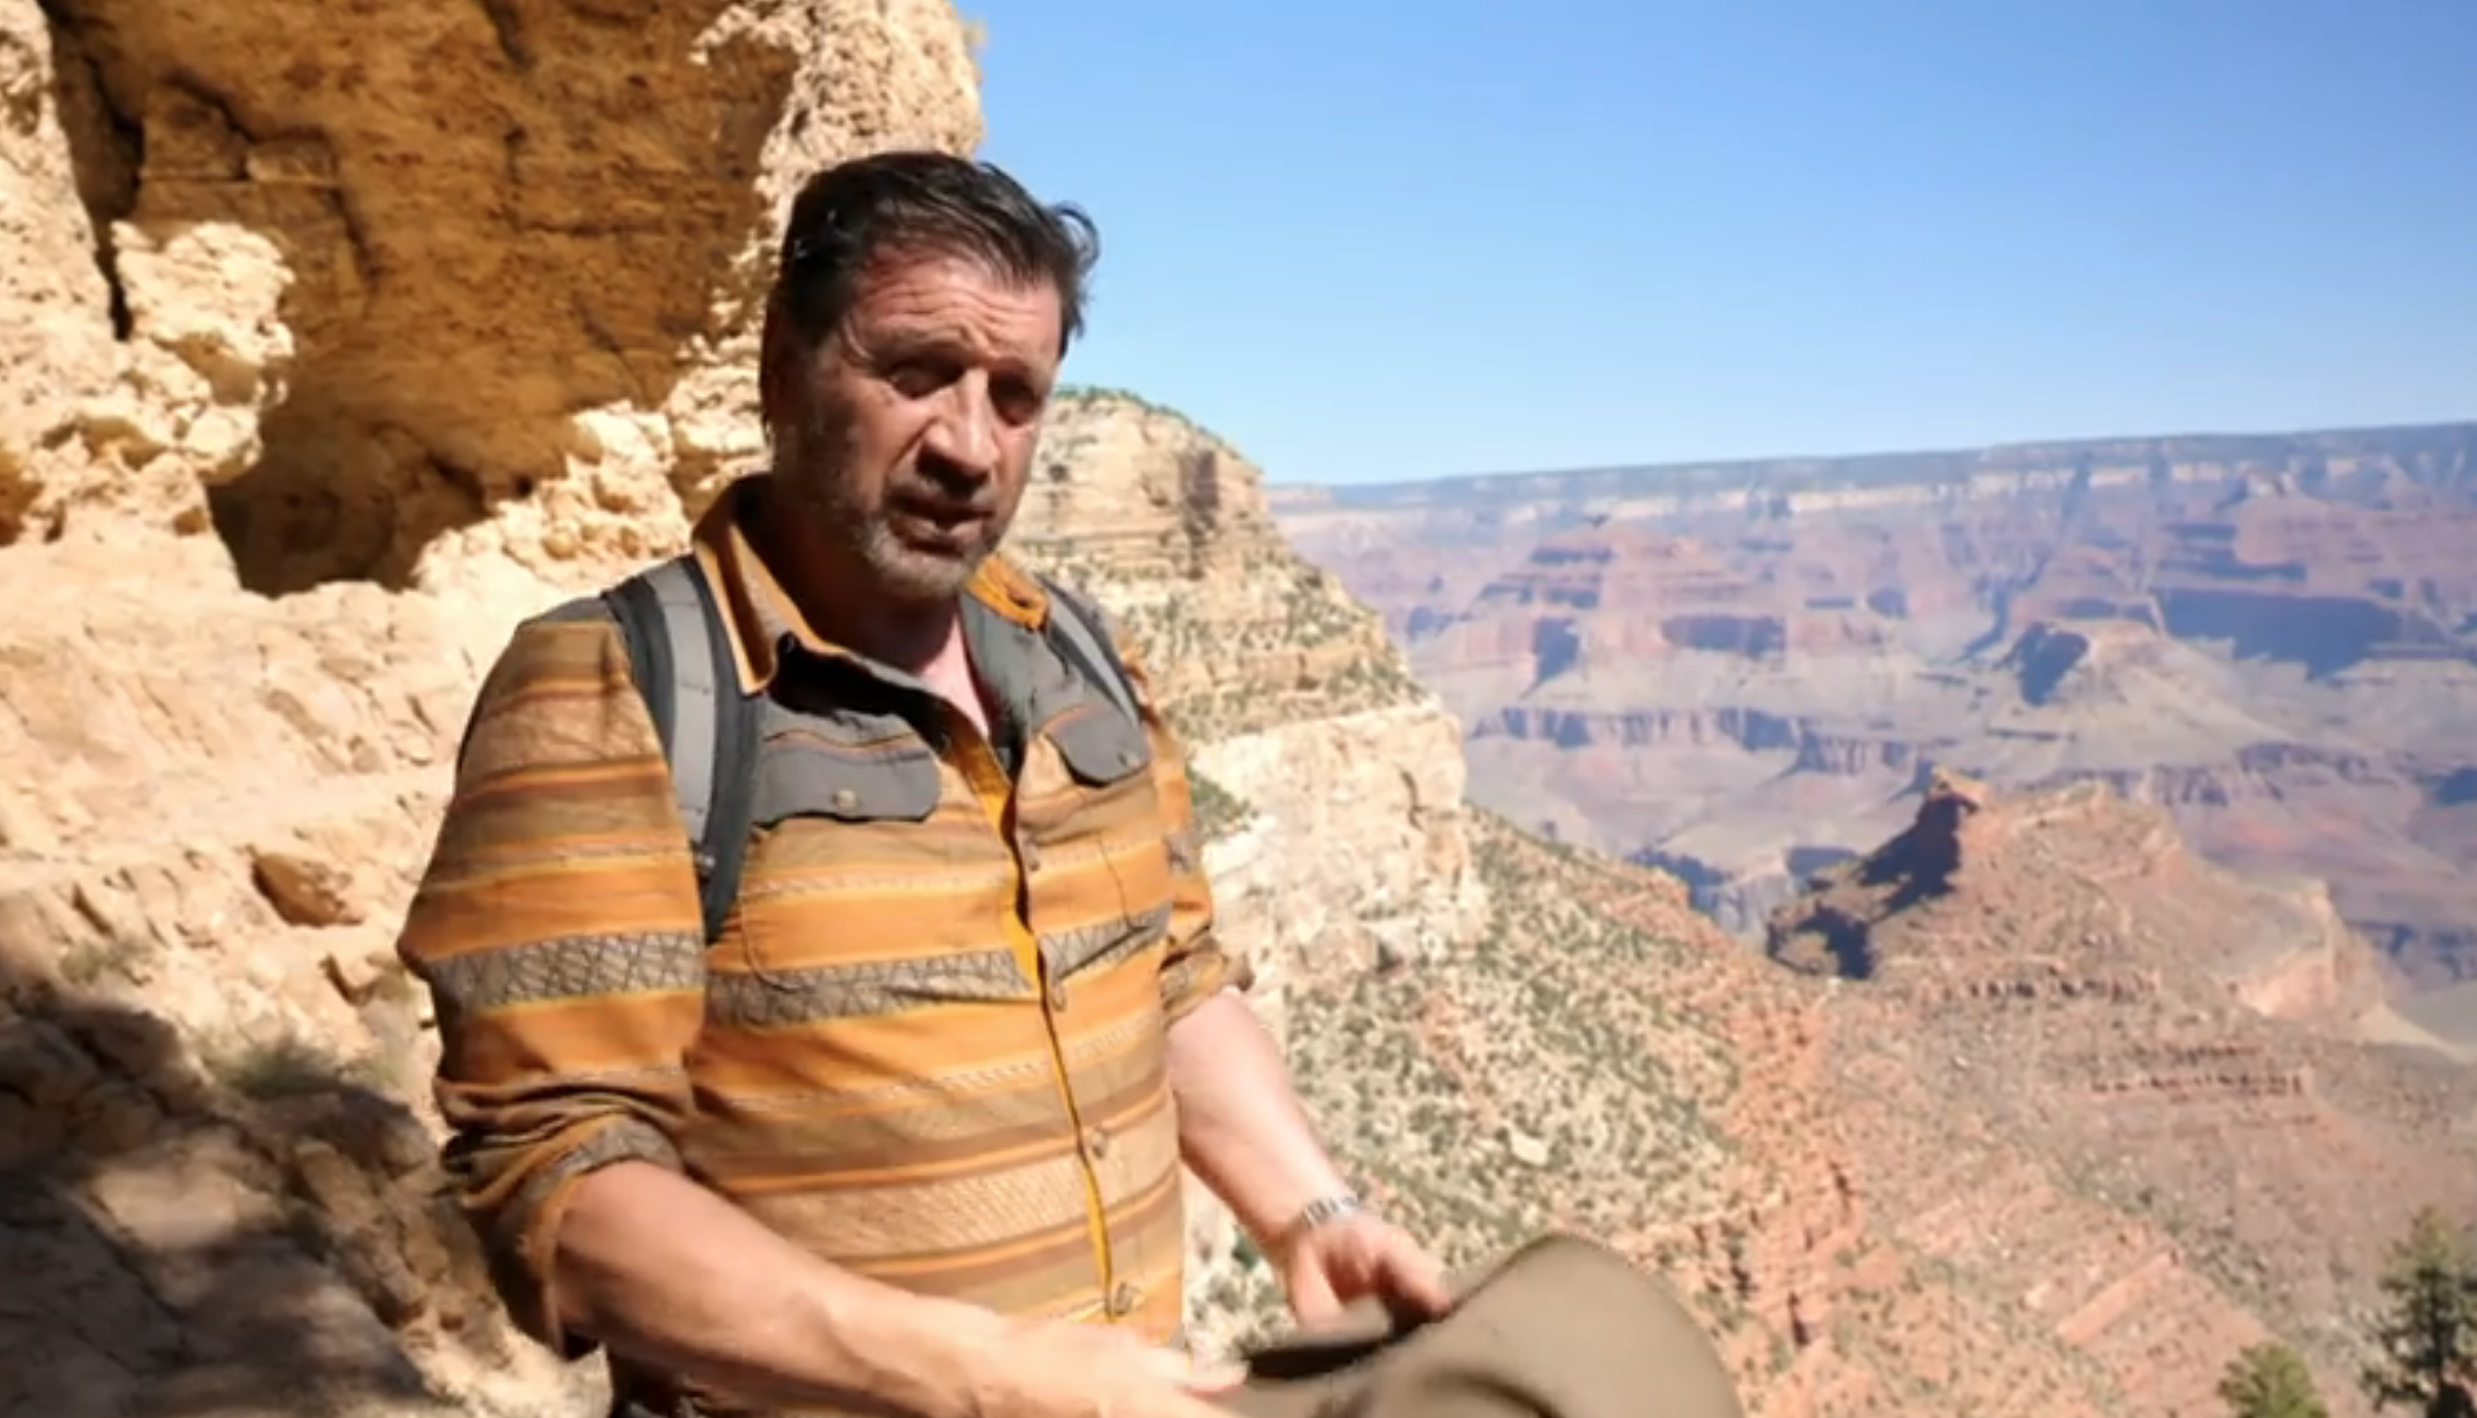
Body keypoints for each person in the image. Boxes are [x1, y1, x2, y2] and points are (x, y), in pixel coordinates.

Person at [394, 150, 1451, 1418]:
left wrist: (1309, 1211)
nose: (966, 443)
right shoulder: (616, 688)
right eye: (913, 371)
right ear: (782, 369)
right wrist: (987, 1377)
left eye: (1014, 395)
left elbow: (1165, 977)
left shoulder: (1076, 658)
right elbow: (559, 1176)